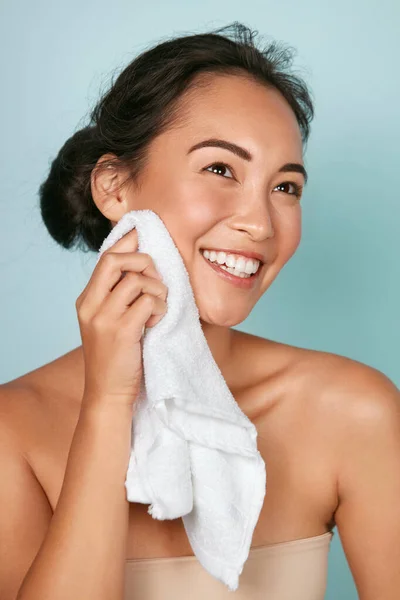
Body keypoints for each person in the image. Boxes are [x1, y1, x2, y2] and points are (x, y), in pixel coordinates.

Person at [1, 21, 399, 600]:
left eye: (286, 187)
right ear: (114, 188)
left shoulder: (352, 412)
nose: (261, 224)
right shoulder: (14, 431)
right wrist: (109, 404)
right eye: (220, 169)